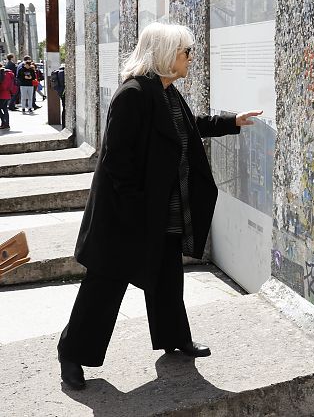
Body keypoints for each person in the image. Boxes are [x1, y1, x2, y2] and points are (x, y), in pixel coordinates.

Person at [56, 23, 261, 391]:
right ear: (167, 55)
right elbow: (117, 162)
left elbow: (188, 126)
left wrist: (231, 121)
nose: (190, 59)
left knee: (168, 276)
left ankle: (174, 337)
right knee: (104, 284)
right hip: (126, 216)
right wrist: (138, 212)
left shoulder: (166, 92)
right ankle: (72, 354)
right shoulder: (133, 94)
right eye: (186, 52)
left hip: (161, 209)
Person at [0, 64, 14, 129]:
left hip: (2, 94)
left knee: (3, 108)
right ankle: (6, 123)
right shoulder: (8, 73)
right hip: (7, 93)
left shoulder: (1, 73)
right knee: (5, 109)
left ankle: (4, 122)